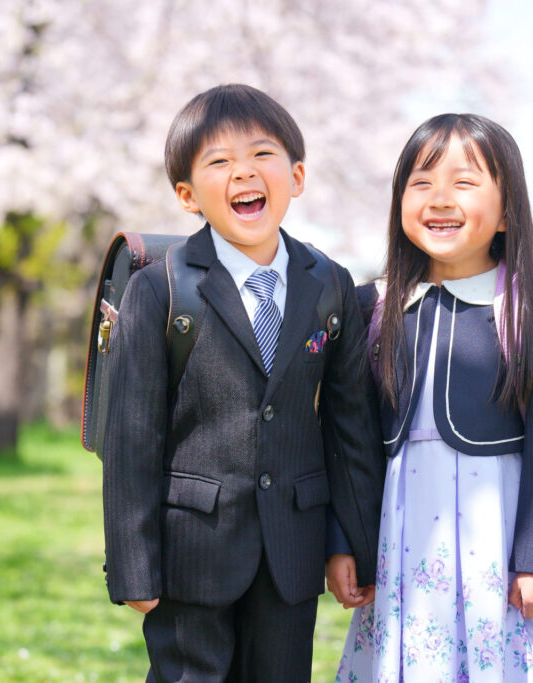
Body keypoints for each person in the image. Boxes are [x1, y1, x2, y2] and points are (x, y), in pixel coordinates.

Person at [100, 83, 384, 682]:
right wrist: (133, 565)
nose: (243, 174)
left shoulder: (329, 283)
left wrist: (350, 543)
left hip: (292, 549)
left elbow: (350, 425)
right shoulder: (161, 288)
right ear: (187, 195)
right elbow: (132, 438)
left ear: (297, 176)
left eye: (261, 155)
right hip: (190, 553)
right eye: (218, 162)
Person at [334, 113, 533, 682]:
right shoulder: (373, 309)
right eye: (421, 183)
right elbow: (350, 442)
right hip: (402, 537)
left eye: (465, 182)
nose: (440, 199)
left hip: (494, 534)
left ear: (506, 214)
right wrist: (343, 543)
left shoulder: (531, 304)